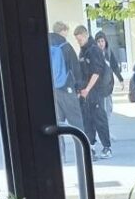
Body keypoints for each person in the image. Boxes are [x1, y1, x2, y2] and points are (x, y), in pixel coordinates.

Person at [74, 24, 112, 159]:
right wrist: (80, 90)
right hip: (85, 92)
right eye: (77, 40)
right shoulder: (83, 51)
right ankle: (91, 147)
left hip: (95, 91)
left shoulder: (94, 50)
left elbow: (96, 72)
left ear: (85, 36)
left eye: (79, 39)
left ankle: (107, 147)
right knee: (87, 120)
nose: (78, 42)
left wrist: (87, 89)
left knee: (99, 119)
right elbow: (81, 73)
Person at [48, 21, 84, 131]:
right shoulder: (66, 46)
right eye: (66, 32)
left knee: (57, 124)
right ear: (62, 31)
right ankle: (81, 143)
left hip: (53, 91)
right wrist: (79, 89)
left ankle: (58, 143)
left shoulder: (46, 44)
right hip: (66, 88)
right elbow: (76, 69)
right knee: (76, 123)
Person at [94, 30, 123, 117]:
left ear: (105, 41)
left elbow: (114, 66)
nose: (101, 43)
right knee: (100, 110)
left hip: (108, 85)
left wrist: (121, 79)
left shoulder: (109, 52)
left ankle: (106, 123)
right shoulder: (93, 54)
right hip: (98, 86)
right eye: (98, 41)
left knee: (109, 108)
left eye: (102, 41)